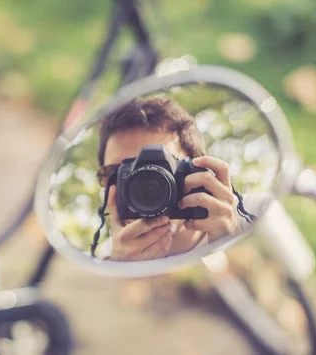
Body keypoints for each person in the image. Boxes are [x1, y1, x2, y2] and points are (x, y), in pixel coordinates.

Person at [94, 96, 242, 261]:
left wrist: (229, 244)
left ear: (198, 171)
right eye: (118, 171)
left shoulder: (256, 215)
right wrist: (122, 272)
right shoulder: (109, 256)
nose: (141, 183)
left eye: (160, 169)